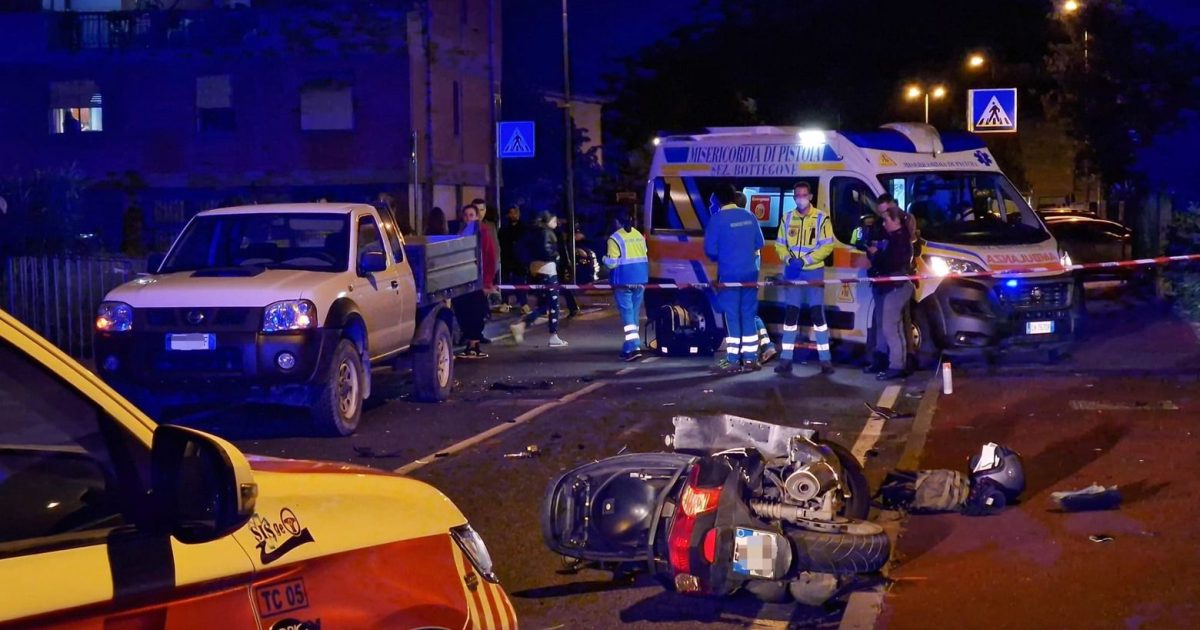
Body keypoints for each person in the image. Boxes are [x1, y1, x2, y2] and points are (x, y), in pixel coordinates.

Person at [774, 182, 835, 375]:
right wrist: (789, 259)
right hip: (793, 272)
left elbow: (827, 246)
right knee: (790, 316)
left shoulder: (821, 218)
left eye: (804, 195)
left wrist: (805, 260)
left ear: (810, 196)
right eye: (797, 195)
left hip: (813, 272)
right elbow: (779, 245)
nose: (800, 198)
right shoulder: (787, 218)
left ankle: (825, 360)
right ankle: (785, 359)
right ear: (794, 198)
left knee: (818, 317)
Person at [704, 184, 764, 373]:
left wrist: (726, 253)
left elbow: (711, 251)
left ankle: (732, 359)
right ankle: (751, 359)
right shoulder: (749, 216)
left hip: (729, 275)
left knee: (732, 316)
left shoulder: (717, 220)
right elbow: (760, 243)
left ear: (719, 200)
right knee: (748, 314)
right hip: (750, 274)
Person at [866, 205, 915, 380]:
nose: (884, 223)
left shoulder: (900, 240)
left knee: (890, 328)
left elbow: (891, 263)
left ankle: (897, 366)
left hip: (896, 287)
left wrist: (876, 254)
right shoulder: (894, 237)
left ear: (895, 220)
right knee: (889, 326)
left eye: (886, 220)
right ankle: (891, 362)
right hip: (888, 286)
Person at [511, 211, 568, 347]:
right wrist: (556, 256)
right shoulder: (546, 232)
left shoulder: (533, 231)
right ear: (548, 220)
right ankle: (553, 336)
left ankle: (522, 325)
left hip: (536, 270)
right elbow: (546, 250)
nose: (556, 222)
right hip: (548, 269)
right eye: (554, 219)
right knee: (553, 304)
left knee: (545, 304)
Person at [603, 208, 649, 361]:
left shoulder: (614, 238)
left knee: (628, 315)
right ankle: (630, 347)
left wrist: (604, 259)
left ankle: (633, 346)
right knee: (634, 315)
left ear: (616, 222)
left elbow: (612, 263)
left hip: (623, 280)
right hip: (640, 278)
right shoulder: (638, 235)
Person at [452, 204, 491, 359]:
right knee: (464, 310)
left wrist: (487, 281)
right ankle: (470, 345)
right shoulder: (461, 232)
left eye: (471, 215)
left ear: (476, 217)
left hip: (477, 279)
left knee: (476, 311)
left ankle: (474, 345)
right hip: (464, 279)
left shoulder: (482, 232)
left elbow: (489, 255)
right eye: (466, 215)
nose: (468, 218)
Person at [498, 206, 529, 311]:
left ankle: (523, 303)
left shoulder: (524, 228)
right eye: (511, 213)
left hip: (520, 259)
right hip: (506, 258)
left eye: (515, 213)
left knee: (520, 282)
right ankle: (505, 302)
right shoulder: (504, 228)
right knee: (505, 281)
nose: (513, 215)